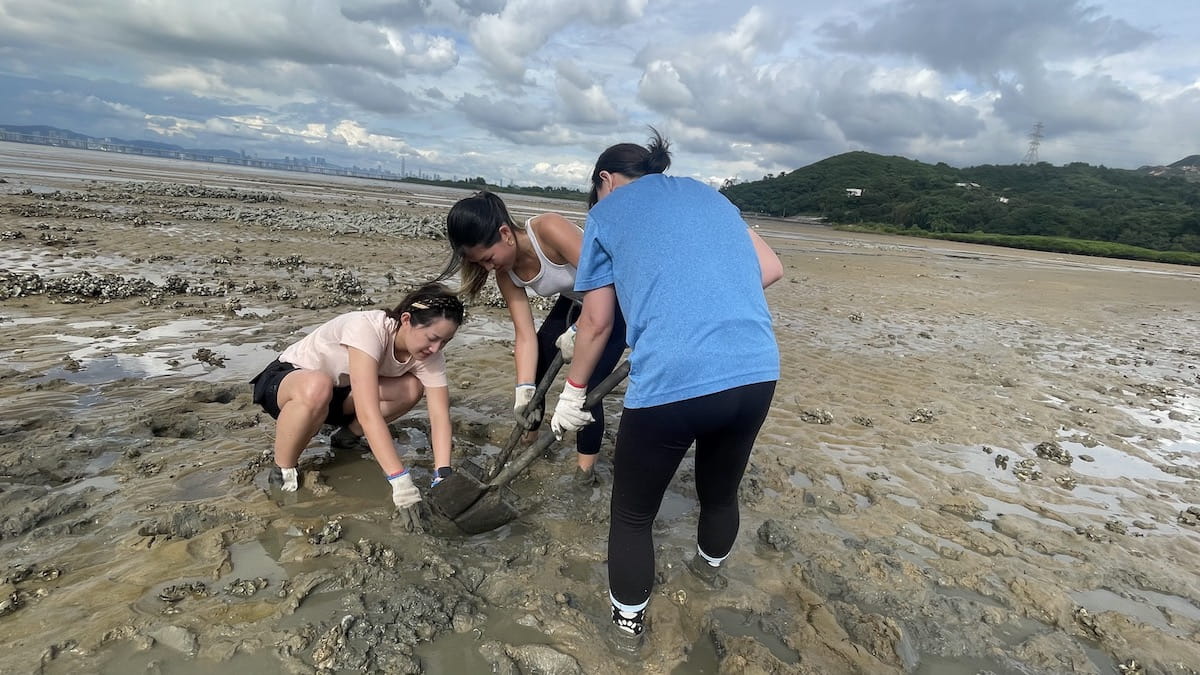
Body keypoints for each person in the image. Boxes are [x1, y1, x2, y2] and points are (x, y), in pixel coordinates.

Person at [550, 129, 783, 650]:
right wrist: (698, 299)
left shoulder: (607, 214)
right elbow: (771, 267)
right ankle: (710, 574)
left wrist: (573, 392)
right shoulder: (711, 195)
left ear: (605, 181)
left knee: (633, 515)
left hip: (674, 381)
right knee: (719, 494)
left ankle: (628, 629)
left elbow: (596, 324)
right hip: (756, 370)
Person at [440, 191, 627, 486]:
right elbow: (524, 335)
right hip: (575, 302)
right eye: (481, 264)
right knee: (537, 369)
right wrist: (524, 391)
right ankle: (529, 442)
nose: (488, 268)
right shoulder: (506, 273)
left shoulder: (549, 230)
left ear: (505, 234)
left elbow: (612, 277)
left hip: (616, 301)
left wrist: (580, 330)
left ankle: (584, 471)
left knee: (589, 387)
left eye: (488, 258)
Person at [249, 282, 464, 515]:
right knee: (318, 385)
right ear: (406, 320)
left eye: (445, 342)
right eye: (432, 337)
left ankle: (346, 436)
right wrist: (400, 480)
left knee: (411, 388)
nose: (435, 348)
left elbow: (440, 414)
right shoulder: (368, 328)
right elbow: (368, 412)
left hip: (341, 395)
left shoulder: (431, 356)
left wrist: (443, 473)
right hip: (289, 385)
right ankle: (283, 468)